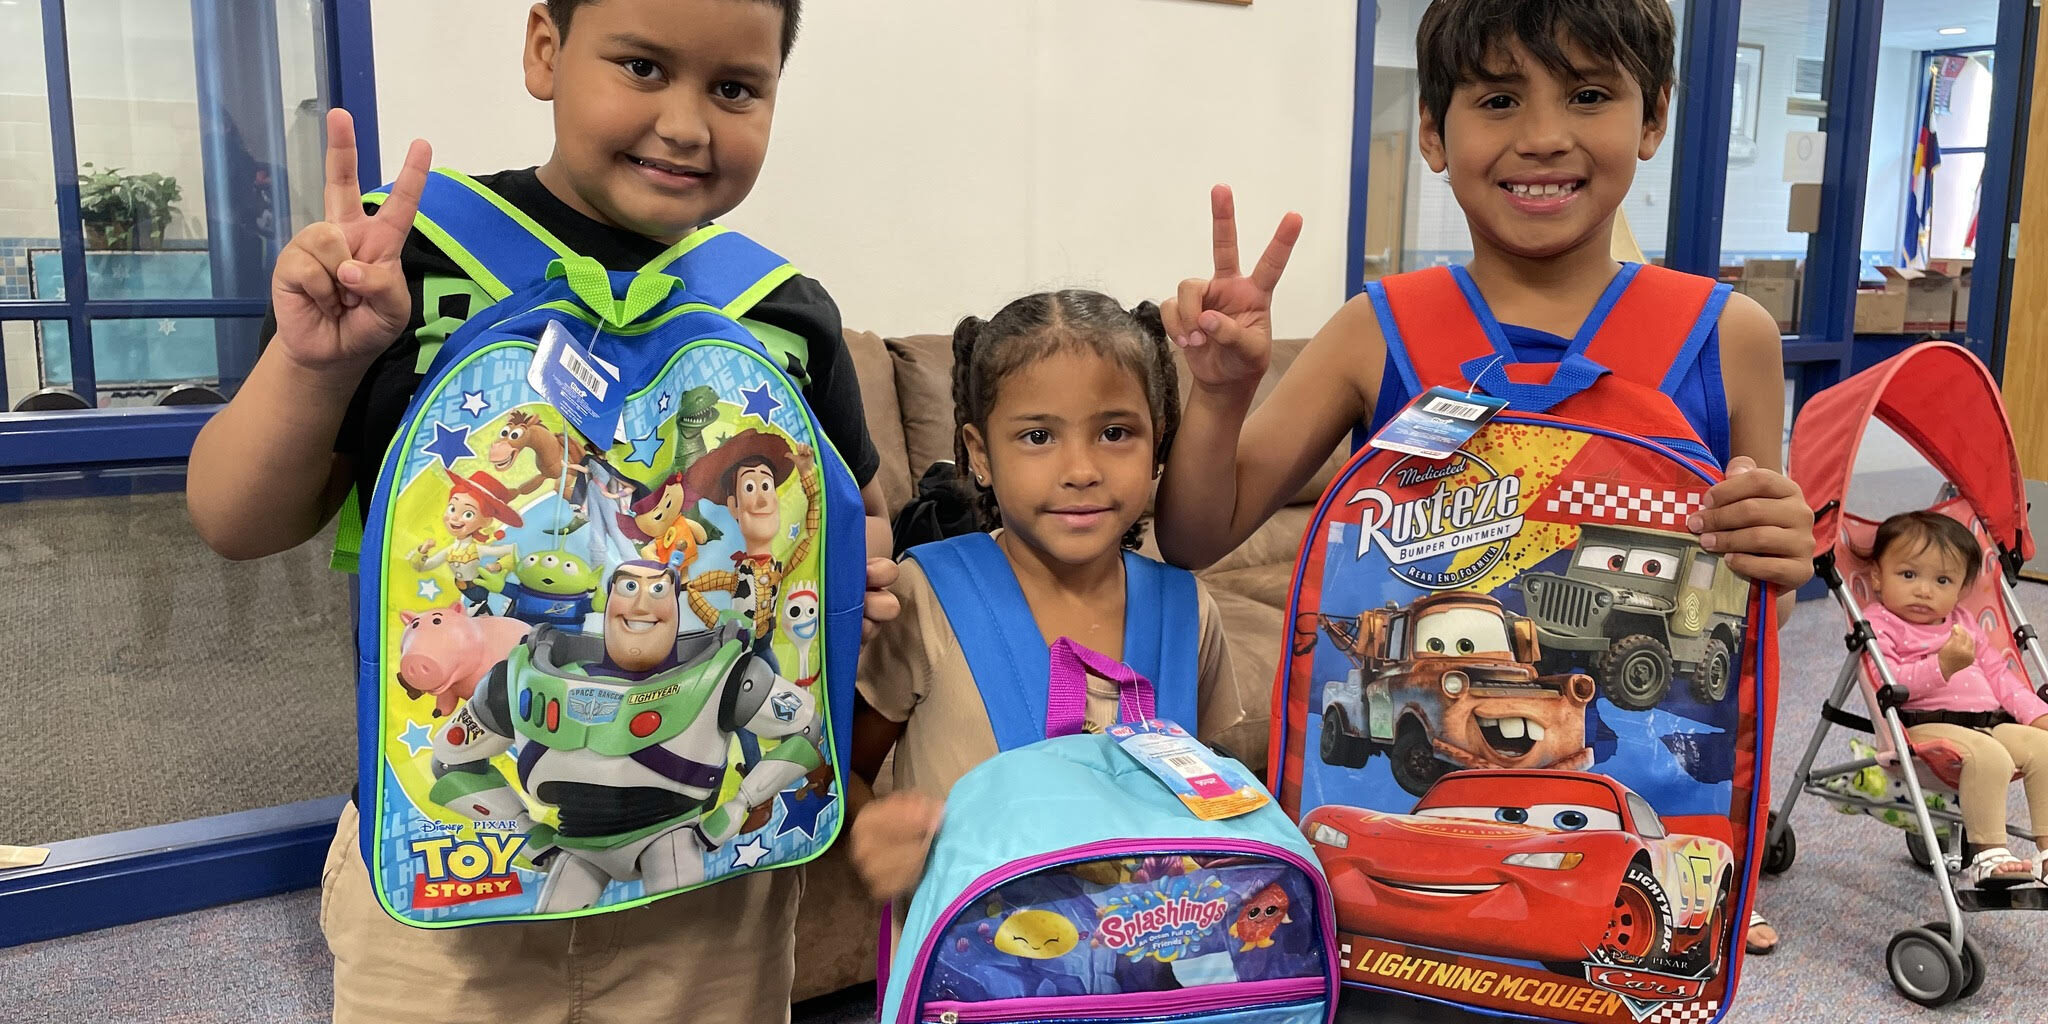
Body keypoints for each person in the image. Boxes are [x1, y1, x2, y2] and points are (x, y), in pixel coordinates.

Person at [184, 2, 900, 1021]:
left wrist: (852, 581)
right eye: (642, 66)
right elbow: (233, 519)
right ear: (545, 50)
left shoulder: (782, 315)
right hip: (452, 894)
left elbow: (857, 511)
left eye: (734, 88)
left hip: (710, 897)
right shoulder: (404, 260)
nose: (686, 123)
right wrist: (316, 364)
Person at [1149, 0, 1813, 970]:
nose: (1541, 135)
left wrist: (1780, 552)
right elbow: (1194, 534)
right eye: (1498, 99)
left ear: (1653, 117)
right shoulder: (1373, 330)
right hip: (1393, 931)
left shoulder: (1729, 337)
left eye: (1588, 94)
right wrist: (1218, 395)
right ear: (1432, 130)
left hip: (1621, 848)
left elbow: (1757, 614)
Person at [846, 291, 1244, 907]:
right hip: (973, 960)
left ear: (1158, 445)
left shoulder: (1187, 610)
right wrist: (867, 827)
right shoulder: (923, 596)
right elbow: (842, 770)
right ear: (981, 453)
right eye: (1038, 436)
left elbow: (1213, 789)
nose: (1081, 469)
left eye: (1115, 433)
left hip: (1148, 954)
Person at [1867, 510, 2048, 888]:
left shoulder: (1963, 622)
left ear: (1962, 588)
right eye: (1908, 575)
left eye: (1942, 580)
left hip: (1989, 722)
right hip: (1926, 725)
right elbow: (1887, 683)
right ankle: (1989, 855)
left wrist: (2036, 715)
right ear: (1877, 577)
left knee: (2044, 747)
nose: (1924, 590)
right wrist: (1942, 666)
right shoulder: (1879, 623)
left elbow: (2002, 678)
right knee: (1991, 757)